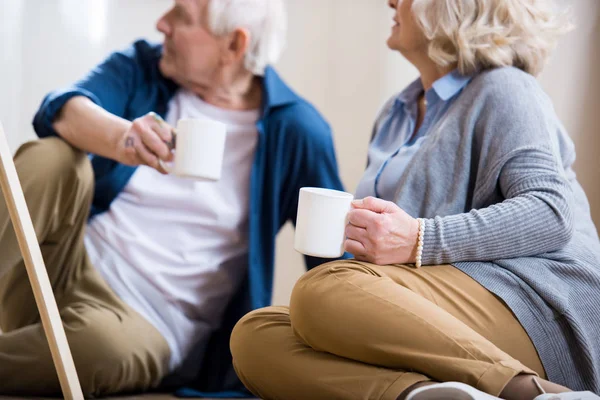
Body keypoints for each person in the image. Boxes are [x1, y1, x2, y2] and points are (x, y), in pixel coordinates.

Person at [230, 0, 600, 399]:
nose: (391, 2)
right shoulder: (396, 113)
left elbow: (549, 210)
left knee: (321, 290)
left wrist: (417, 238)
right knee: (255, 335)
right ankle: (426, 395)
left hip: (534, 306)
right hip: (430, 305)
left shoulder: (505, 87)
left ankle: (532, 391)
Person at [0, 0, 344, 397]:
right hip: (58, 268)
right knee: (54, 158)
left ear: (233, 45)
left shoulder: (299, 131)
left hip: (145, 320)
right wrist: (124, 139)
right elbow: (60, 109)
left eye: (181, 16)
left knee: (103, 352)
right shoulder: (143, 67)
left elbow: (331, 268)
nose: (161, 23)